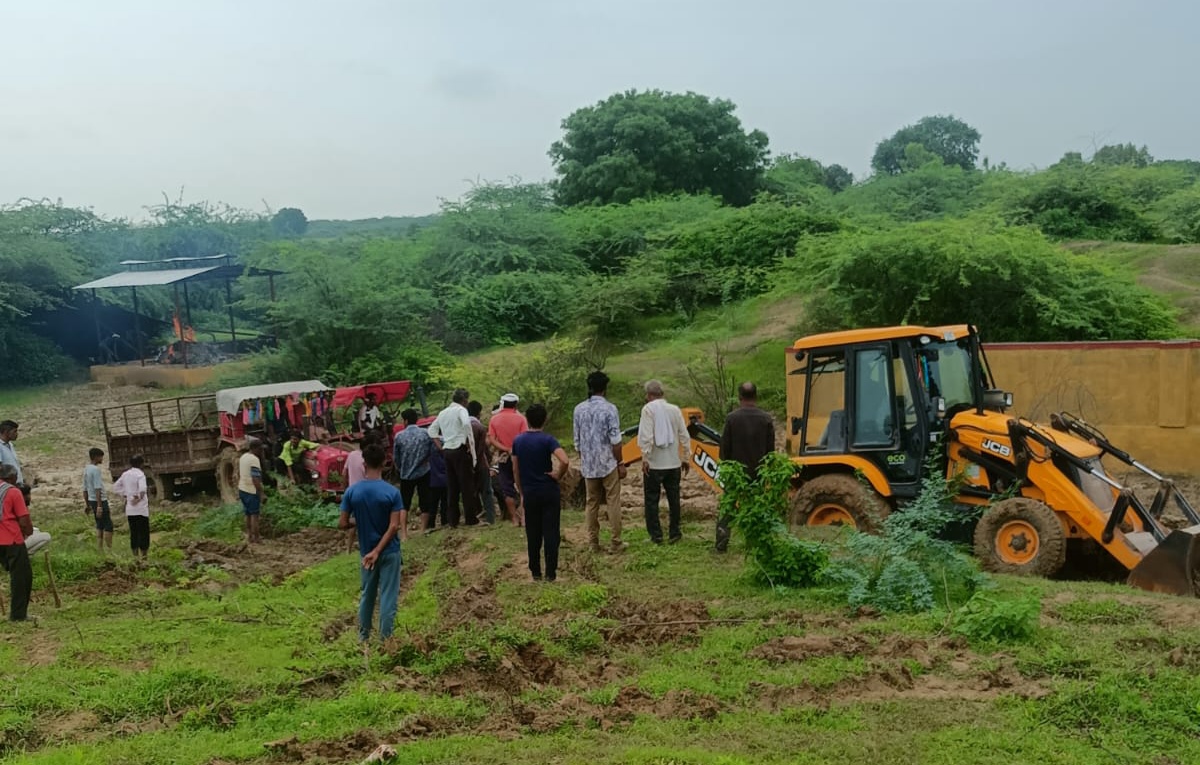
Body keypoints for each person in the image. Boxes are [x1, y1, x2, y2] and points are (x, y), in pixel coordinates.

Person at [339, 444, 406, 642]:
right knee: (388, 596)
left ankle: (363, 637)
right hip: (389, 551)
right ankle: (386, 639)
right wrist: (379, 550)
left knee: (367, 594)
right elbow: (394, 526)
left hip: (366, 552)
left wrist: (358, 520)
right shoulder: (392, 492)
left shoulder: (352, 492)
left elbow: (342, 523)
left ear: (363, 463)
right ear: (385, 463)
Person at [511, 404, 570, 582]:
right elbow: (565, 460)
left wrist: (521, 491)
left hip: (530, 491)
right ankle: (551, 573)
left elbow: (515, 469)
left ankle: (535, 572)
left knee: (533, 532)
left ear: (526, 419)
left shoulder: (518, 441)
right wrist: (558, 475)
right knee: (551, 532)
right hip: (548, 490)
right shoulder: (548, 440)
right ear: (545, 419)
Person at [716, 382, 776, 553]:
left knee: (727, 508)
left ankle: (721, 544)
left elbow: (724, 448)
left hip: (736, 473)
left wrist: (727, 468)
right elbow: (770, 450)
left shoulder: (732, 418)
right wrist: (766, 470)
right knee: (755, 507)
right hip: (758, 472)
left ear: (740, 397)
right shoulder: (765, 419)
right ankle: (754, 544)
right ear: (755, 396)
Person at [573, 371, 626, 553]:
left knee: (591, 503)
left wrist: (585, 459)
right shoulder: (610, 409)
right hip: (608, 462)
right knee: (613, 501)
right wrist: (620, 463)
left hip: (589, 464)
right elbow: (616, 441)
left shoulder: (579, 409)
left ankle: (593, 542)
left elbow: (577, 442)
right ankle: (616, 541)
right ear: (604, 388)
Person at [637, 380, 692, 545]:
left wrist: (644, 457)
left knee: (652, 500)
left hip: (655, 464)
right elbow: (684, 435)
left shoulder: (648, 410)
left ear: (649, 395)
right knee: (674, 499)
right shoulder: (675, 410)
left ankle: (656, 535)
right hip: (673, 463)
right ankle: (675, 533)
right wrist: (686, 457)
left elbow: (646, 436)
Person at [427, 388, 480, 528]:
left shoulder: (443, 412)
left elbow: (431, 430)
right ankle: (470, 518)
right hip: (459, 449)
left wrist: (440, 446)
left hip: (448, 451)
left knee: (452, 486)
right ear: (464, 400)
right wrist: (469, 443)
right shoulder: (461, 410)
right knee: (466, 485)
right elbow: (467, 424)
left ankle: (453, 520)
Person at [488, 393, 528, 527]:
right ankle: (524, 517)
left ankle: (514, 519)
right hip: (521, 455)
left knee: (507, 487)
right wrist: (514, 449)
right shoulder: (521, 418)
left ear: (503, 404)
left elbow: (492, 439)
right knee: (523, 486)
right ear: (516, 404)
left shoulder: (494, 419)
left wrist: (505, 448)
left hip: (503, 456)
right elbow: (525, 437)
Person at [0, 464, 34, 621]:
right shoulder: (13, 491)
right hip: (11, 539)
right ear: (12, 477)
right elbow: (23, 518)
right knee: (21, 576)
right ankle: (18, 614)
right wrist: (28, 531)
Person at [393, 409, 435, 531]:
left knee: (404, 504)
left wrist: (401, 468)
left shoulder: (399, 436)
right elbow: (432, 450)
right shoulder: (425, 433)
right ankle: (422, 530)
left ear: (405, 421)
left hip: (406, 474)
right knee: (425, 502)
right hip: (424, 471)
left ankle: (404, 533)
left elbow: (396, 457)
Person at [113, 455, 150, 560]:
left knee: (134, 532)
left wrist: (126, 494)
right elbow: (142, 489)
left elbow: (115, 487)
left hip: (130, 510)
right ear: (141, 464)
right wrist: (138, 498)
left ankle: (135, 556)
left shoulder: (125, 474)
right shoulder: (140, 474)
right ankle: (144, 556)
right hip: (141, 509)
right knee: (143, 532)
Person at [466, 401, 495, 526]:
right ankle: (490, 517)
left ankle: (473, 516)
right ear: (479, 413)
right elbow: (483, 449)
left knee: (471, 492)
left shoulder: (464, 426)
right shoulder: (480, 427)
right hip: (481, 464)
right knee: (487, 491)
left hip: (466, 464)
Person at [84, 447, 113, 554]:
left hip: (92, 500)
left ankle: (100, 549)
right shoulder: (96, 470)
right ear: (96, 457)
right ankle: (109, 550)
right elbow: (97, 488)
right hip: (100, 500)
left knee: (99, 524)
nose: (102, 459)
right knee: (108, 525)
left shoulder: (86, 469)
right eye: (101, 457)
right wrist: (100, 505)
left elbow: (85, 489)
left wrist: (87, 504)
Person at [238, 440, 266, 545]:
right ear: (256, 448)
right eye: (260, 449)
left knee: (247, 514)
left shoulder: (243, 457)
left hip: (242, 489)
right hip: (251, 490)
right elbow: (255, 479)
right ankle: (257, 538)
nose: (262, 451)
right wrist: (261, 493)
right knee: (255, 515)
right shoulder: (254, 460)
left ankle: (249, 536)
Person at [427, 442, 449, 531]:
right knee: (445, 503)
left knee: (432, 504)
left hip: (433, 482)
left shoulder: (431, 455)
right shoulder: (446, 455)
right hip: (446, 482)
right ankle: (445, 521)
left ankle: (431, 524)